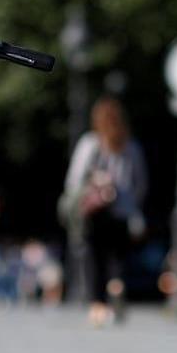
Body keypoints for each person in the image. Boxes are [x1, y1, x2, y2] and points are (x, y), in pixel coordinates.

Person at [61, 97, 147, 326]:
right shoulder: (131, 146)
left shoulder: (91, 143)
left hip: (95, 212)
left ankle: (97, 307)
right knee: (116, 257)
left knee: (93, 258)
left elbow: (74, 180)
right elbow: (140, 183)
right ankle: (116, 286)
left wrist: (83, 196)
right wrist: (130, 205)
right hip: (122, 214)